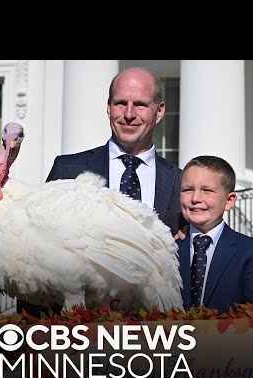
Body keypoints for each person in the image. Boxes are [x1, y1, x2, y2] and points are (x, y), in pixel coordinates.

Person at [17, 66, 187, 316]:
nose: (129, 114)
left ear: (159, 111)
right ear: (108, 108)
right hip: (78, 337)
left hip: (158, 335)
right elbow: (33, 254)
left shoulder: (181, 181)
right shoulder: (68, 169)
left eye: (140, 104)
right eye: (120, 103)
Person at [177, 155, 253, 313]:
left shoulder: (252, 252)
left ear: (229, 201)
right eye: (188, 190)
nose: (195, 198)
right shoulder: (167, 248)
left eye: (207, 190)